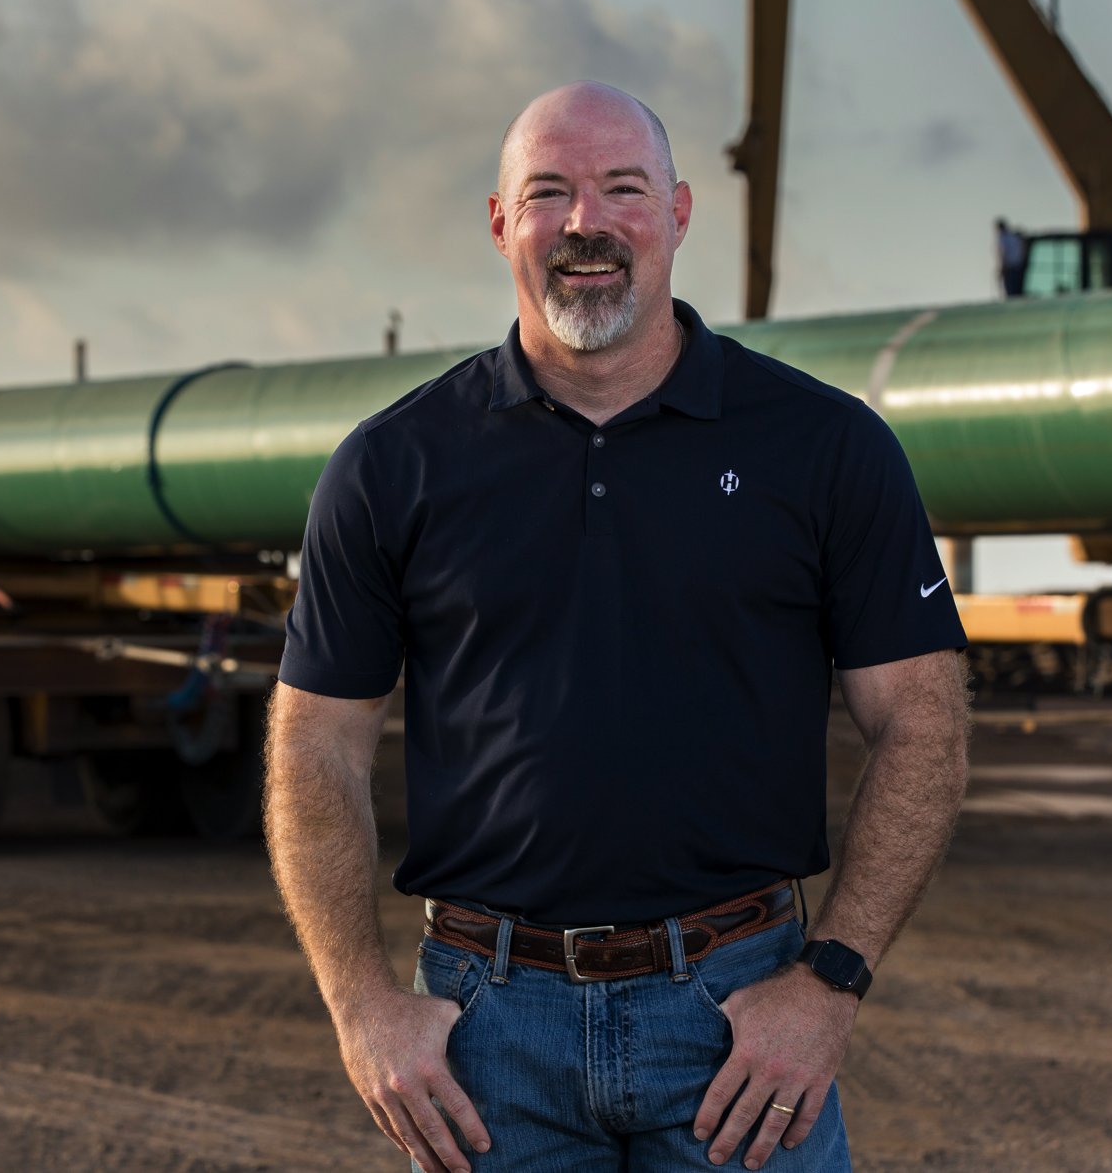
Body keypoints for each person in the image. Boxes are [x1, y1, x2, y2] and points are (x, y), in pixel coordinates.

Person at [266, 81, 969, 1172]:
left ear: (678, 213)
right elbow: (315, 739)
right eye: (547, 192)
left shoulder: (823, 447)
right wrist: (359, 1002)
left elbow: (922, 721)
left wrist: (829, 980)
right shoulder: (394, 462)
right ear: (500, 223)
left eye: (620, 189)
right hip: (485, 1036)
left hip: (742, 1023)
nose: (585, 222)